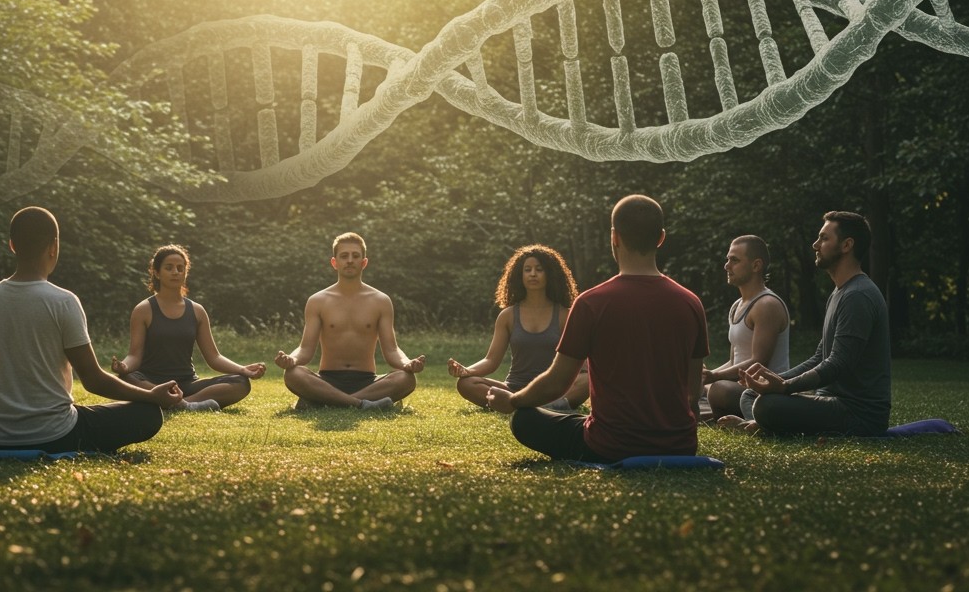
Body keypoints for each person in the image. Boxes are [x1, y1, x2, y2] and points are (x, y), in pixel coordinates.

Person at [488, 195, 709, 462]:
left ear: (614, 237)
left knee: (525, 419)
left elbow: (557, 382)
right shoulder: (690, 302)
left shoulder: (592, 303)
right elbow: (692, 391)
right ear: (661, 237)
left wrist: (512, 401)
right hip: (680, 445)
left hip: (609, 445)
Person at [0, 207, 182, 454]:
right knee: (147, 414)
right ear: (54, 246)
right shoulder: (63, 301)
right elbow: (92, 380)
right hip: (56, 435)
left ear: (12, 246)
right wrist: (152, 396)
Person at [720, 211, 891, 436]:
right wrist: (777, 380)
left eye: (824, 238)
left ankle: (760, 425)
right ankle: (761, 425)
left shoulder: (858, 295)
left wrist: (785, 387)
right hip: (830, 401)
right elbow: (820, 356)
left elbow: (838, 364)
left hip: (858, 413)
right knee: (751, 395)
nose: (815, 244)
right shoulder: (840, 292)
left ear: (847, 245)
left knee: (766, 405)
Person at [274, 232, 424, 410]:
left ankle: (327, 401)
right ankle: (362, 404)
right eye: (344, 256)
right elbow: (305, 349)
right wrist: (291, 359)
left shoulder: (381, 301)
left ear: (364, 262)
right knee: (293, 374)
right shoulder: (318, 301)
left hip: (367, 381)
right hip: (327, 379)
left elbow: (392, 350)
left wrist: (407, 363)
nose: (350, 260)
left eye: (355, 256)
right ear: (334, 262)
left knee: (406, 378)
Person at [112, 245, 266, 411]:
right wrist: (124, 367)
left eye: (180, 268)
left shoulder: (197, 311)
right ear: (156, 273)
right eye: (169, 268)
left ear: (186, 272)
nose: (175, 272)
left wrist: (243, 369)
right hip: (152, 383)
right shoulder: (143, 310)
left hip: (186, 384)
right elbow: (134, 355)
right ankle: (177, 402)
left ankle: (182, 404)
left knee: (240, 382)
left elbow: (214, 357)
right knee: (126, 377)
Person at [447, 244, 589, 412]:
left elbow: (583, 365)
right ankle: (532, 406)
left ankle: (532, 406)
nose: (533, 274)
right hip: (515, 390)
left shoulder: (565, 315)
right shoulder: (507, 316)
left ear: (550, 274)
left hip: (552, 390)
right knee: (466, 383)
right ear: (519, 276)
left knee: (588, 379)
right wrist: (466, 371)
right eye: (527, 270)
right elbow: (491, 361)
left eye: (539, 269)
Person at [701, 235, 790, 422]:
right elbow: (734, 360)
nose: (727, 265)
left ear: (756, 266)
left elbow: (759, 361)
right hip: (741, 388)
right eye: (727, 259)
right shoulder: (737, 306)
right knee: (703, 387)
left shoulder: (767, 304)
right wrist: (705, 376)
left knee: (718, 389)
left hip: (765, 393)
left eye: (734, 260)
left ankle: (727, 416)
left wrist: (714, 376)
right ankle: (716, 416)